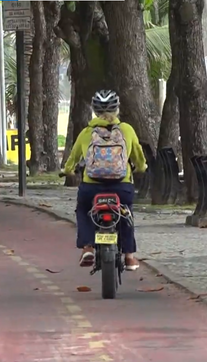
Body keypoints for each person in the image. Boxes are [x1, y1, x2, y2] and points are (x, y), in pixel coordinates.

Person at [62, 90, 147, 271]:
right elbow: (138, 157)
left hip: (92, 188)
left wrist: (68, 171)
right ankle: (130, 256)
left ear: (94, 110)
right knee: (126, 213)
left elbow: (73, 158)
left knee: (83, 209)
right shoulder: (127, 130)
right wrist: (141, 168)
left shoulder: (87, 132)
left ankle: (87, 246)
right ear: (117, 109)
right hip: (121, 187)